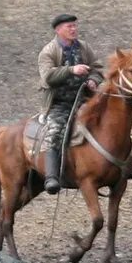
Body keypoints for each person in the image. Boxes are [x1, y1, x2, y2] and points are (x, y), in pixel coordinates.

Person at [37, 12, 95, 187]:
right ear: (58, 30)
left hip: (85, 99)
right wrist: (71, 70)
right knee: (55, 132)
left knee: (111, 120)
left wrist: (94, 80)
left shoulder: (84, 47)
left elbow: (97, 67)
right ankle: (52, 177)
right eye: (69, 26)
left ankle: (123, 167)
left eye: (75, 25)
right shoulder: (48, 52)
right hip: (60, 103)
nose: (74, 29)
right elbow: (47, 77)